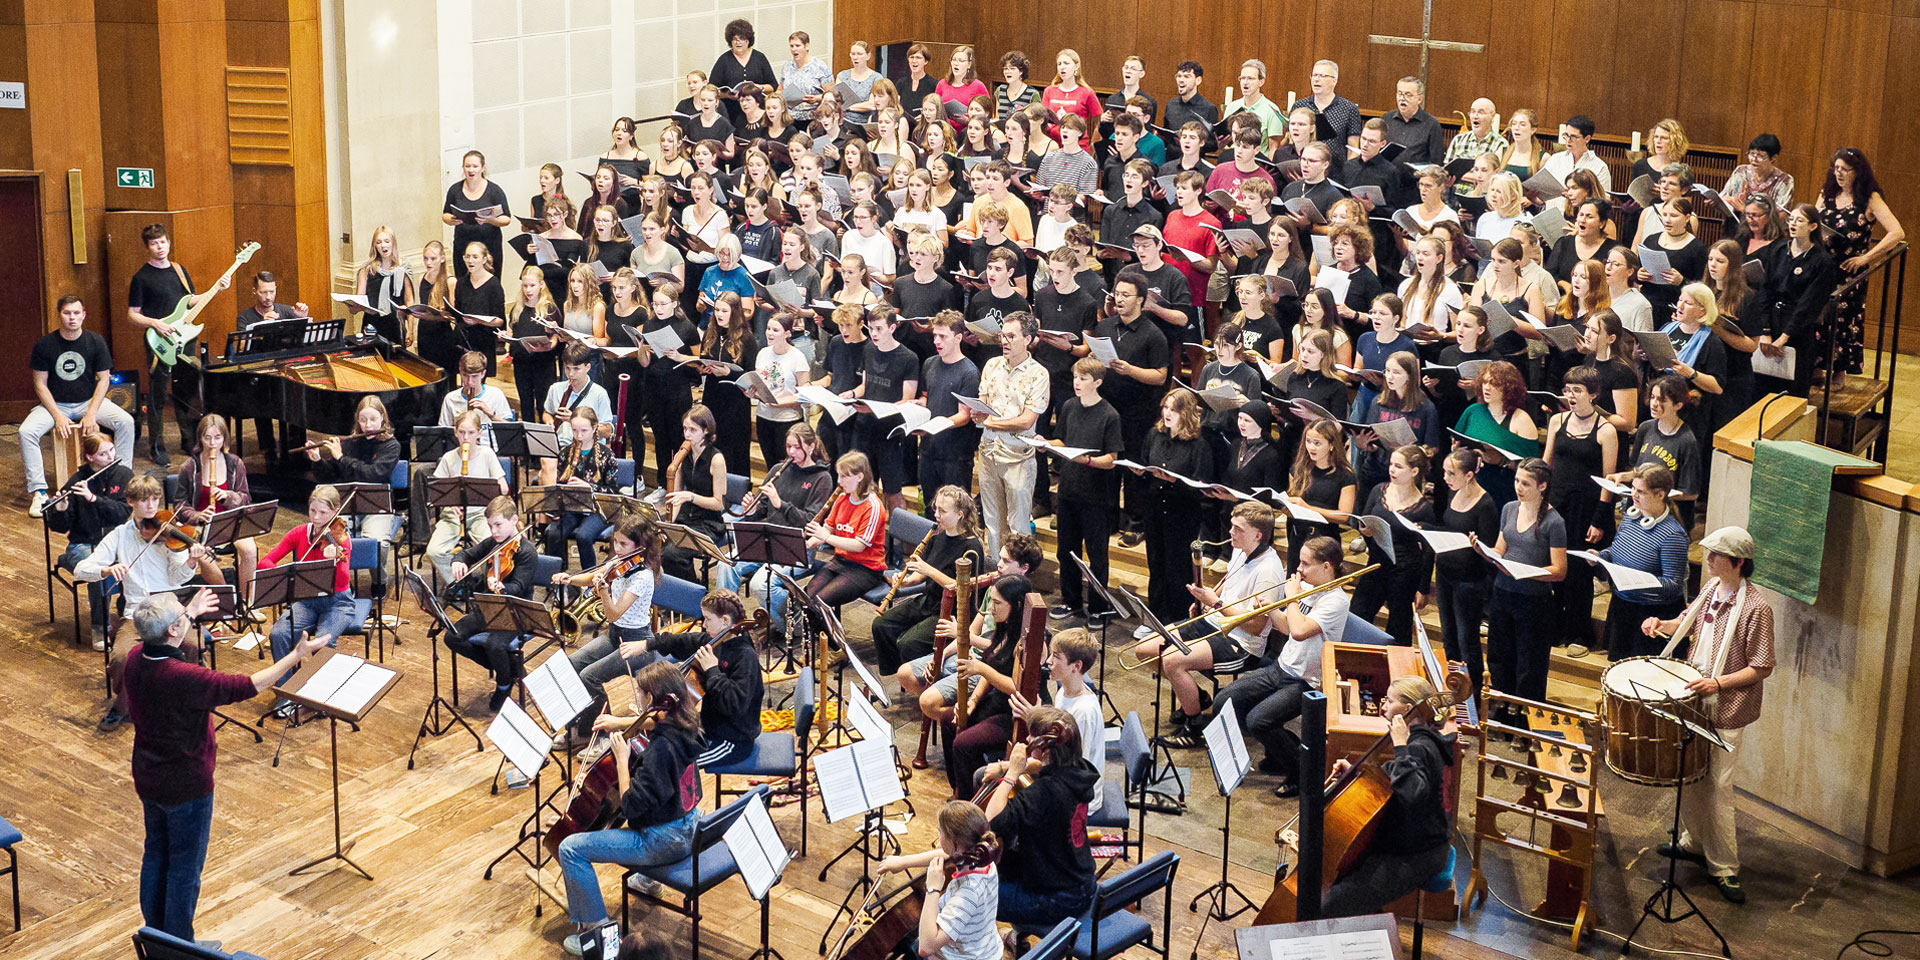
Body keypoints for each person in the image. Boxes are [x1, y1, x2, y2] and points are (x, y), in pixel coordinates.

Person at [124, 589, 329, 944]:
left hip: (148, 776)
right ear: (173, 630)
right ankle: (178, 947)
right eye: (182, 618)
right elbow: (249, 684)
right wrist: (295, 656)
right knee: (185, 870)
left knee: (156, 853)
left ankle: (155, 938)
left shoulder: (134, 657)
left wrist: (188, 612)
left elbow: (169, 630)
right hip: (186, 784)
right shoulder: (183, 677)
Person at [1641, 526, 1774, 904]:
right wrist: (1660, 626)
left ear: (1738, 562)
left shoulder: (1756, 608)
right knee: (1692, 774)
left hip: (1726, 708)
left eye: (1716, 554)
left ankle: (1725, 867)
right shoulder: (1710, 590)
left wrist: (1718, 683)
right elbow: (1686, 625)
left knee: (1718, 786)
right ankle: (1693, 842)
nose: (1709, 559)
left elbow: (1762, 667)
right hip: (1694, 699)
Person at [559, 663, 704, 957]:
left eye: (639, 692)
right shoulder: (688, 724)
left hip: (663, 841)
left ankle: (599, 935)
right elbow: (657, 724)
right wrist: (622, 722)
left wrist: (622, 761)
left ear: (651, 699)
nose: (636, 697)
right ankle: (649, 881)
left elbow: (632, 807)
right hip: (692, 826)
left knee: (570, 848)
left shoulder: (661, 749)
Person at [1211, 535, 1349, 796]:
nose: (1299, 569)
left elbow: (1299, 631)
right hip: (1282, 667)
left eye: (1306, 564)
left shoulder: (1336, 601)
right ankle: (1279, 751)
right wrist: (1271, 610)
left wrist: (1292, 598)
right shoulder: (1309, 587)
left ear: (1327, 567)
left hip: (1306, 681)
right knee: (1224, 700)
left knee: (1259, 721)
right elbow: (1286, 626)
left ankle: (1299, 772)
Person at [1147, 501, 1287, 747]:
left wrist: (1217, 603)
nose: (1230, 532)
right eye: (1231, 526)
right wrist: (1207, 597)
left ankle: (1193, 728)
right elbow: (1229, 578)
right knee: (1146, 649)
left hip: (1240, 642)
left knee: (1172, 660)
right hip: (1214, 621)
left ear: (1258, 535)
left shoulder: (1269, 571)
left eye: (1237, 529)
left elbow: (1256, 626)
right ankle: (1196, 698)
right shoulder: (1240, 549)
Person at [1321, 675, 1458, 918]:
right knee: (1346, 877)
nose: (1383, 705)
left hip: (1417, 853)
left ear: (1407, 710)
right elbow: (1397, 776)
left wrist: (1400, 745)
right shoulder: (1426, 739)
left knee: (1331, 904)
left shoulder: (1418, 746)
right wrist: (1356, 772)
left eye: (1389, 700)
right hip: (1410, 841)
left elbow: (1413, 792)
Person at [982, 705, 1100, 926]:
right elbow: (1041, 766)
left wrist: (1012, 774)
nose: (1027, 739)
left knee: (973, 896)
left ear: (1045, 749)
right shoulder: (1080, 769)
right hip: (1082, 883)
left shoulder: (1046, 792)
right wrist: (1009, 766)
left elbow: (993, 820)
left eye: (1032, 736)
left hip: (1055, 900)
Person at [24, 295, 137, 516]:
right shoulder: (45, 345)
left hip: (88, 402)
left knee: (126, 422)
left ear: (84, 315)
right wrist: (57, 415)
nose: (72, 318)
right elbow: (40, 384)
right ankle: (39, 492)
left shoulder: (95, 341)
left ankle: (122, 477)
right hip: (55, 404)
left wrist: (91, 413)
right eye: (67, 313)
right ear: (59, 315)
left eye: (76, 313)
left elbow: (104, 380)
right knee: (26, 431)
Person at [127, 224, 229, 464]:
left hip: (186, 338)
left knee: (187, 390)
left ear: (169, 242)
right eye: (154, 243)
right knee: (158, 394)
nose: (159, 247)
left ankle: (188, 440)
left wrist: (216, 290)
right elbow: (132, 314)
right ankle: (157, 446)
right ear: (147, 247)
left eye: (162, 242)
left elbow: (190, 301)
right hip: (159, 340)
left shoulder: (179, 271)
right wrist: (155, 324)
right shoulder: (141, 278)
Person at [257, 485, 361, 716]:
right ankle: (287, 692)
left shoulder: (341, 539)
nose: (316, 518)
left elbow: (342, 581)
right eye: (312, 510)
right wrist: (288, 574)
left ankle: (319, 696)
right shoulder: (299, 533)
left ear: (335, 512)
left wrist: (335, 558)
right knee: (279, 634)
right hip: (306, 600)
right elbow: (266, 561)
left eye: (323, 513)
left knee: (324, 641)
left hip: (338, 602)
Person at [558, 513, 664, 732]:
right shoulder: (620, 561)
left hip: (637, 644)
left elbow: (614, 613)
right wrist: (570, 579)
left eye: (623, 543)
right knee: (570, 665)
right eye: (615, 541)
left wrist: (603, 592)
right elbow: (595, 575)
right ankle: (574, 724)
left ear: (640, 546)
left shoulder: (642, 576)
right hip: (615, 635)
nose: (617, 547)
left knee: (590, 677)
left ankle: (593, 731)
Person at [1482, 458, 1566, 732]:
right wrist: (1482, 550)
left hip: (1534, 601)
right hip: (1503, 593)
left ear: (1542, 486)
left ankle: (1523, 722)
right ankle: (1502, 714)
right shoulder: (1509, 509)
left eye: (1526, 483)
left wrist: (1528, 572)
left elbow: (1559, 570)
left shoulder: (1554, 522)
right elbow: (1499, 550)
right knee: (1499, 656)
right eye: (1517, 480)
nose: (1518, 487)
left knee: (1528, 665)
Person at [1543, 367, 1619, 656]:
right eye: (1567, 389)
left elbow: (1608, 480)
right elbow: (1546, 463)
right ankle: (1558, 626)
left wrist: (1599, 519)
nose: (1570, 395)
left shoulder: (1606, 430)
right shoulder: (1556, 421)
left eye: (1577, 390)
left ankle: (1579, 633)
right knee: (1556, 567)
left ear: (1593, 394)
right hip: (1557, 505)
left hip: (1586, 511)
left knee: (1579, 574)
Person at [871, 485, 985, 675]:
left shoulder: (971, 546)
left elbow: (962, 588)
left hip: (953, 611)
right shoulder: (937, 535)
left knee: (908, 643)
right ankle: (897, 672)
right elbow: (922, 573)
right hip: (930, 601)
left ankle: (920, 679)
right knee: (881, 624)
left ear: (960, 514)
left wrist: (928, 570)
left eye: (942, 511)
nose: (936, 515)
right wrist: (908, 581)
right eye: (935, 509)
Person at [1816, 148, 1904, 385]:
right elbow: (1814, 221)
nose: (1839, 174)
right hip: (1823, 266)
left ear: (1858, 171)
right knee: (1817, 315)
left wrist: (1867, 258)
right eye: (1836, 168)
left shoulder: (1869, 198)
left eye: (1845, 169)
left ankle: (1838, 372)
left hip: (1849, 269)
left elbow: (1897, 232)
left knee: (1843, 318)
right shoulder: (1827, 193)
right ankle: (1815, 366)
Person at [441, 495, 537, 713]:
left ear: (514, 520)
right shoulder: (495, 543)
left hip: (516, 612)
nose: (494, 531)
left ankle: (503, 685)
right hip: (490, 608)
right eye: (490, 526)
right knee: (452, 636)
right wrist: (458, 562)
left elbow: (520, 586)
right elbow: (468, 553)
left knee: (496, 645)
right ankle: (510, 669)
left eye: (498, 525)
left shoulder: (527, 552)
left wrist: (501, 586)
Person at [1048, 359, 1126, 625]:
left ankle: (1098, 607)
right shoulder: (1069, 406)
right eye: (1075, 378)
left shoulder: (1110, 415)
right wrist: (1045, 444)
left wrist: (1087, 460)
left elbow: (1112, 459)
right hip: (1069, 490)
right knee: (1066, 551)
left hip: (1096, 496)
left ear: (1097, 382)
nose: (1076, 383)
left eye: (1082, 379)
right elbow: (1062, 439)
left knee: (1097, 555)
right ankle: (1070, 601)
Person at [877, 801, 1005, 960]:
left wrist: (933, 889)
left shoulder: (968, 894)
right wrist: (904, 862)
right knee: (904, 942)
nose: (938, 835)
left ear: (956, 844)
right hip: (979, 946)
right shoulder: (982, 859)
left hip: (967, 956)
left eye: (940, 832)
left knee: (910, 946)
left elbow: (926, 947)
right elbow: (947, 854)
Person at [47, 432, 134, 647]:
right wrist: (60, 509)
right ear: (90, 457)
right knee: (100, 572)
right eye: (103, 454)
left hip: (115, 542)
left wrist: (94, 499)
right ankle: (99, 628)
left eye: (111, 450)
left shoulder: (123, 475)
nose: (110, 457)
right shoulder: (77, 481)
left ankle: (128, 616)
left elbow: (123, 513)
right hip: (84, 543)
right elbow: (60, 527)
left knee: (135, 563)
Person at [974, 312, 1048, 559]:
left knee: (1018, 527)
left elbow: (1026, 421)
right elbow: (982, 406)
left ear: (1027, 339)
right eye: (1003, 336)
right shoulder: (991, 365)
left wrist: (991, 421)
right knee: (992, 523)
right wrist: (978, 414)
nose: (1004, 341)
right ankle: (996, 577)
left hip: (1017, 457)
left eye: (1011, 336)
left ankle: (1017, 582)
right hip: (988, 452)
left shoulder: (1039, 374)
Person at [426, 410, 510, 588]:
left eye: (471, 433)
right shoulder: (449, 458)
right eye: (462, 432)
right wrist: (450, 502)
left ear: (479, 433)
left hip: (482, 516)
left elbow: (503, 487)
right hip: (453, 517)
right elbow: (436, 491)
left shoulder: (487, 454)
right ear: (455, 432)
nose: (466, 437)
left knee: (495, 548)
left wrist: (496, 485)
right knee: (434, 551)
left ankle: (489, 584)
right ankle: (460, 583)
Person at [804, 451, 890, 608]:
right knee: (806, 597)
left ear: (859, 477)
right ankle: (814, 632)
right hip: (841, 561)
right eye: (839, 475)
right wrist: (806, 545)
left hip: (866, 569)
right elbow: (827, 529)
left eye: (844, 476)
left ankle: (828, 632)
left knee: (820, 602)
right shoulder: (842, 498)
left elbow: (859, 545)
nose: (839, 481)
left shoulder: (874, 506)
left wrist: (826, 537)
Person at [442, 149, 513, 282]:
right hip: (463, 243)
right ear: (463, 168)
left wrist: (492, 220)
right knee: (464, 282)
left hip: (489, 244)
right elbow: (445, 214)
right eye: (467, 166)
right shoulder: (455, 190)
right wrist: (451, 220)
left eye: (475, 166)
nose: (471, 170)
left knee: (490, 282)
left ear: (482, 168)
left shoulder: (494, 191)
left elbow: (506, 218)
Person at [349, 226, 414, 344]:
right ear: (375, 246)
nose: (383, 246)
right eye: (379, 242)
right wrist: (353, 307)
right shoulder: (366, 270)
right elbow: (358, 302)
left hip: (395, 325)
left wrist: (410, 329)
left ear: (393, 243)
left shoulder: (403, 268)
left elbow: (409, 302)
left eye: (386, 241)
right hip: (372, 325)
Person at [711, 19, 778, 128]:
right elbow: (711, 89)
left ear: (748, 40)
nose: (738, 42)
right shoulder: (724, 60)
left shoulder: (759, 58)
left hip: (758, 112)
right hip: (732, 112)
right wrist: (726, 95)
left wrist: (759, 87)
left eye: (742, 39)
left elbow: (773, 86)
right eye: (735, 39)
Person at [1289, 59, 1360, 160]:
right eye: (1314, 75)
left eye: (1322, 76)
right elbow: (1290, 140)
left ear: (1334, 81)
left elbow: (1353, 149)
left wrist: (1350, 172)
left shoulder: (1349, 109)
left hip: (1335, 171)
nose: (1316, 79)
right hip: (1302, 167)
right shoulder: (1300, 106)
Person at [1382, 77, 1446, 165]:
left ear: (1419, 99)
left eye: (1408, 95)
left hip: (1415, 178)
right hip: (1387, 177)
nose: (1402, 98)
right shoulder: (1386, 119)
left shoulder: (1432, 124)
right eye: (1400, 94)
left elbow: (1436, 162)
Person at [1722, 134, 1794, 211]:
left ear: (1773, 158)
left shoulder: (1784, 181)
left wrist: (1744, 210)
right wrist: (1716, 203)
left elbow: (1781, 216)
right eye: (1752, 154)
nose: (1754, 159)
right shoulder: (1741, 171)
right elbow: (1725, 196)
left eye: (1760, 156)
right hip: (1734, 221)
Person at [1542, 115, 1611, 193]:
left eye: (1573, 137)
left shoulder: (1600, 167)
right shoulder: (1555, 159)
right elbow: (1542, 194)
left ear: (1587, 139)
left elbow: (1603, 200)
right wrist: (1532, 198)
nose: (1568, 140)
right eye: (1566, 135)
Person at [1446, 98, 1509, 165]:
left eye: (1481, 112)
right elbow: (1445, 171)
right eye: (1473, 112)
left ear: (1492, 116)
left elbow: (1500, 173)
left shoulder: (1501, 144)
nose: (1475, 116)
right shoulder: (1458, 140)